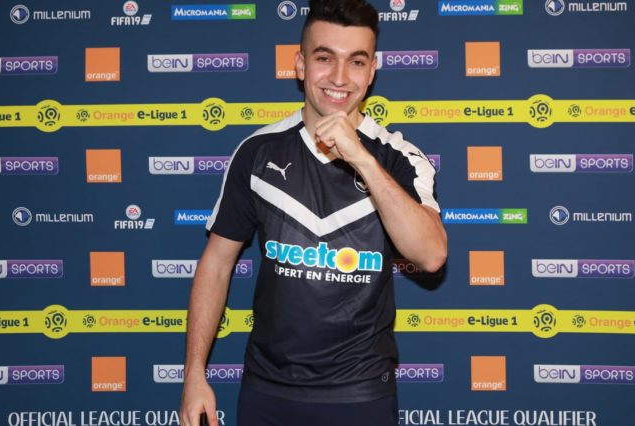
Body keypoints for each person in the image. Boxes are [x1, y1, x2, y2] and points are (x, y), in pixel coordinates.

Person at [180, 0, 447, 425]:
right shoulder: (257, 152)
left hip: (361, 392)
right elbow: (216, 264)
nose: (340, 77)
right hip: (267, 391)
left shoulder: (399, 158)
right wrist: (194, 373)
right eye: (324, 58)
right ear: (300, 65)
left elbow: (430, 255)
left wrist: (361, 159)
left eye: (356, 61)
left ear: (372, 71)